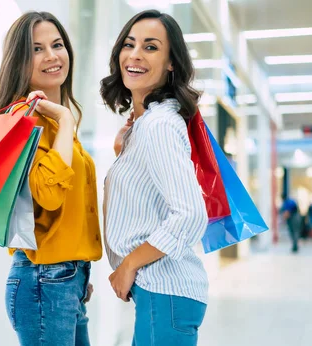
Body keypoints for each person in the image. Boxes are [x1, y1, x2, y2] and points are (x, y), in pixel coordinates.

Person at [0, 12, 102, 345]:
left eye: (57, 44)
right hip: (45, 280)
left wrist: (77, 273)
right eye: (37, 49)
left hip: (65, 279)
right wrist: (66, 120)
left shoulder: (51, 118)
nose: (52, 56)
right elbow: (49, 196)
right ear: (20, 62)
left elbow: (63, 209)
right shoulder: (24, 118)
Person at [101, 10, 209, 345]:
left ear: (171, 62)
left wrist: (129, 264)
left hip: (165, 291)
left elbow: (190, 215)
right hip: (162, 294)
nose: (134, 55)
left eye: (150, 47)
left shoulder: (159, 125)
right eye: (129, 44)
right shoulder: (149, 124)